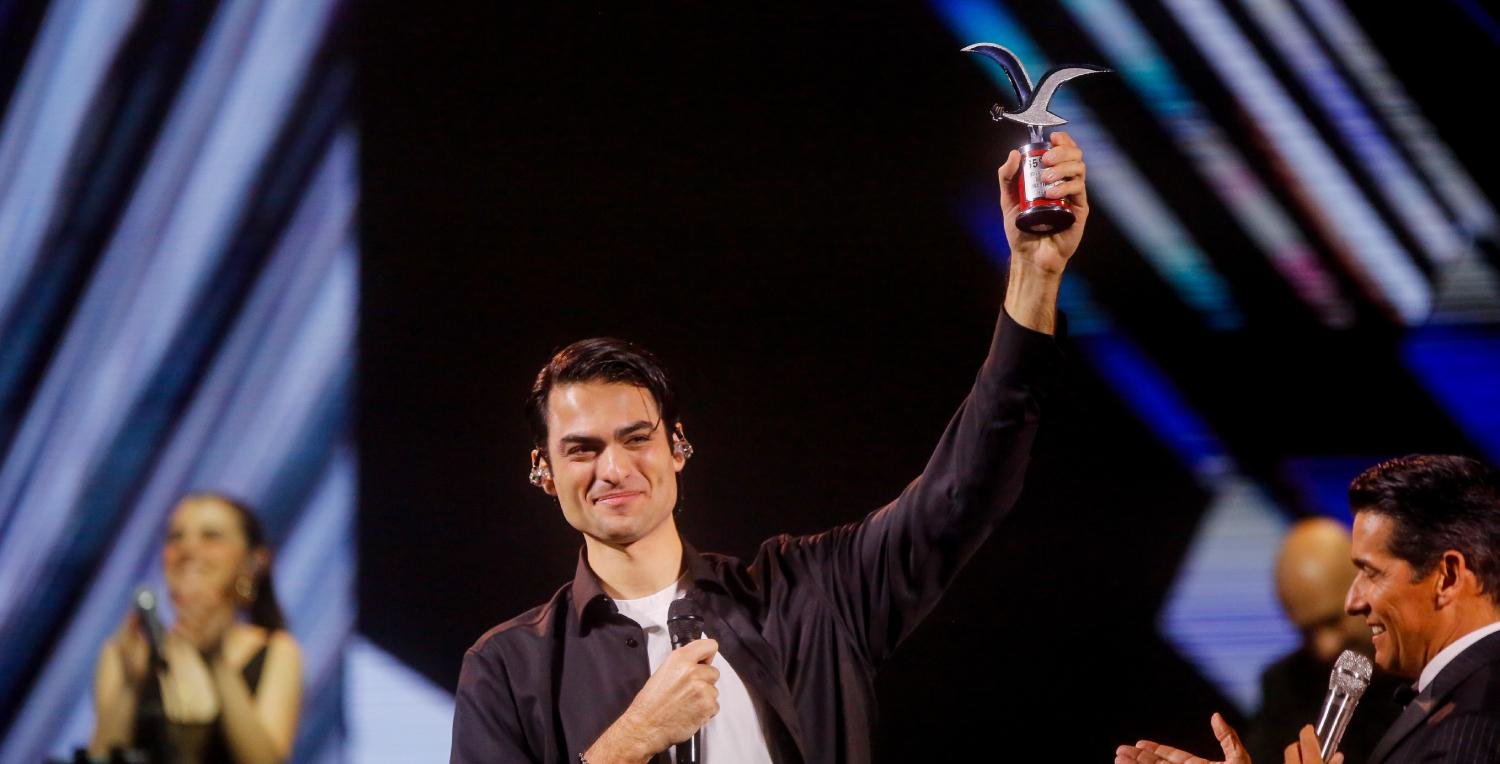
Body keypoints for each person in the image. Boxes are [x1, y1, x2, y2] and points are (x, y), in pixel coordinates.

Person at [450, 133, 1089, 762]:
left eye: (636, 438)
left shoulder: (809, 596)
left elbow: (963, 493)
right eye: (582, 449)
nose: (614, 469)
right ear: (544, 471)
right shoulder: (508, 667)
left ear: (678, 447)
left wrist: (1034, 273)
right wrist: (631, 741)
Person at [1116, 455, 1500, 764]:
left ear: (1447, 576)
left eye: (1370, 572)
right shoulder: (1452, 698)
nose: (1354, 601)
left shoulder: (1475, 720)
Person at [89, 493, 303, 763]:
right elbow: (101, 756)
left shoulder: (276, 650)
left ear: (254, 561)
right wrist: (131, 686)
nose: (188, 549)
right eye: (176, 537)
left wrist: (216, 661)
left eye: (211, 536)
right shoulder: (127, 649)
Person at [1244, 518, 1401, 764]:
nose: (1325, 646)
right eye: (1308, 631)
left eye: (1332, 621)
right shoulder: (1284, 686)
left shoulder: (1423, 669)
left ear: (1364, 585)